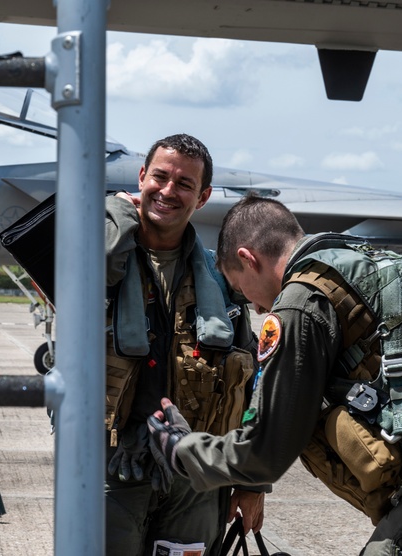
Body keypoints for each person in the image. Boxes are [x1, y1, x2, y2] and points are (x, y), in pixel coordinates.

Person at [147, 194, 402, 555]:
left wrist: (183, 451)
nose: (254, 308)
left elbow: (265, 452)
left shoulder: (301, 299)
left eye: (242, 288)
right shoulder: (389, 266)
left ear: (249, 259)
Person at [103, 134, 266, 556]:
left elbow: (252, 382)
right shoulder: (100, 260)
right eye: (159, 176)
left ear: (204, 195)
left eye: (185, 184)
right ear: (141, 178)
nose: (168, 191)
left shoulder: (220, 279)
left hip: (196, 474)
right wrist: (118, 213)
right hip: (114, 466)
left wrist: (250, 483)